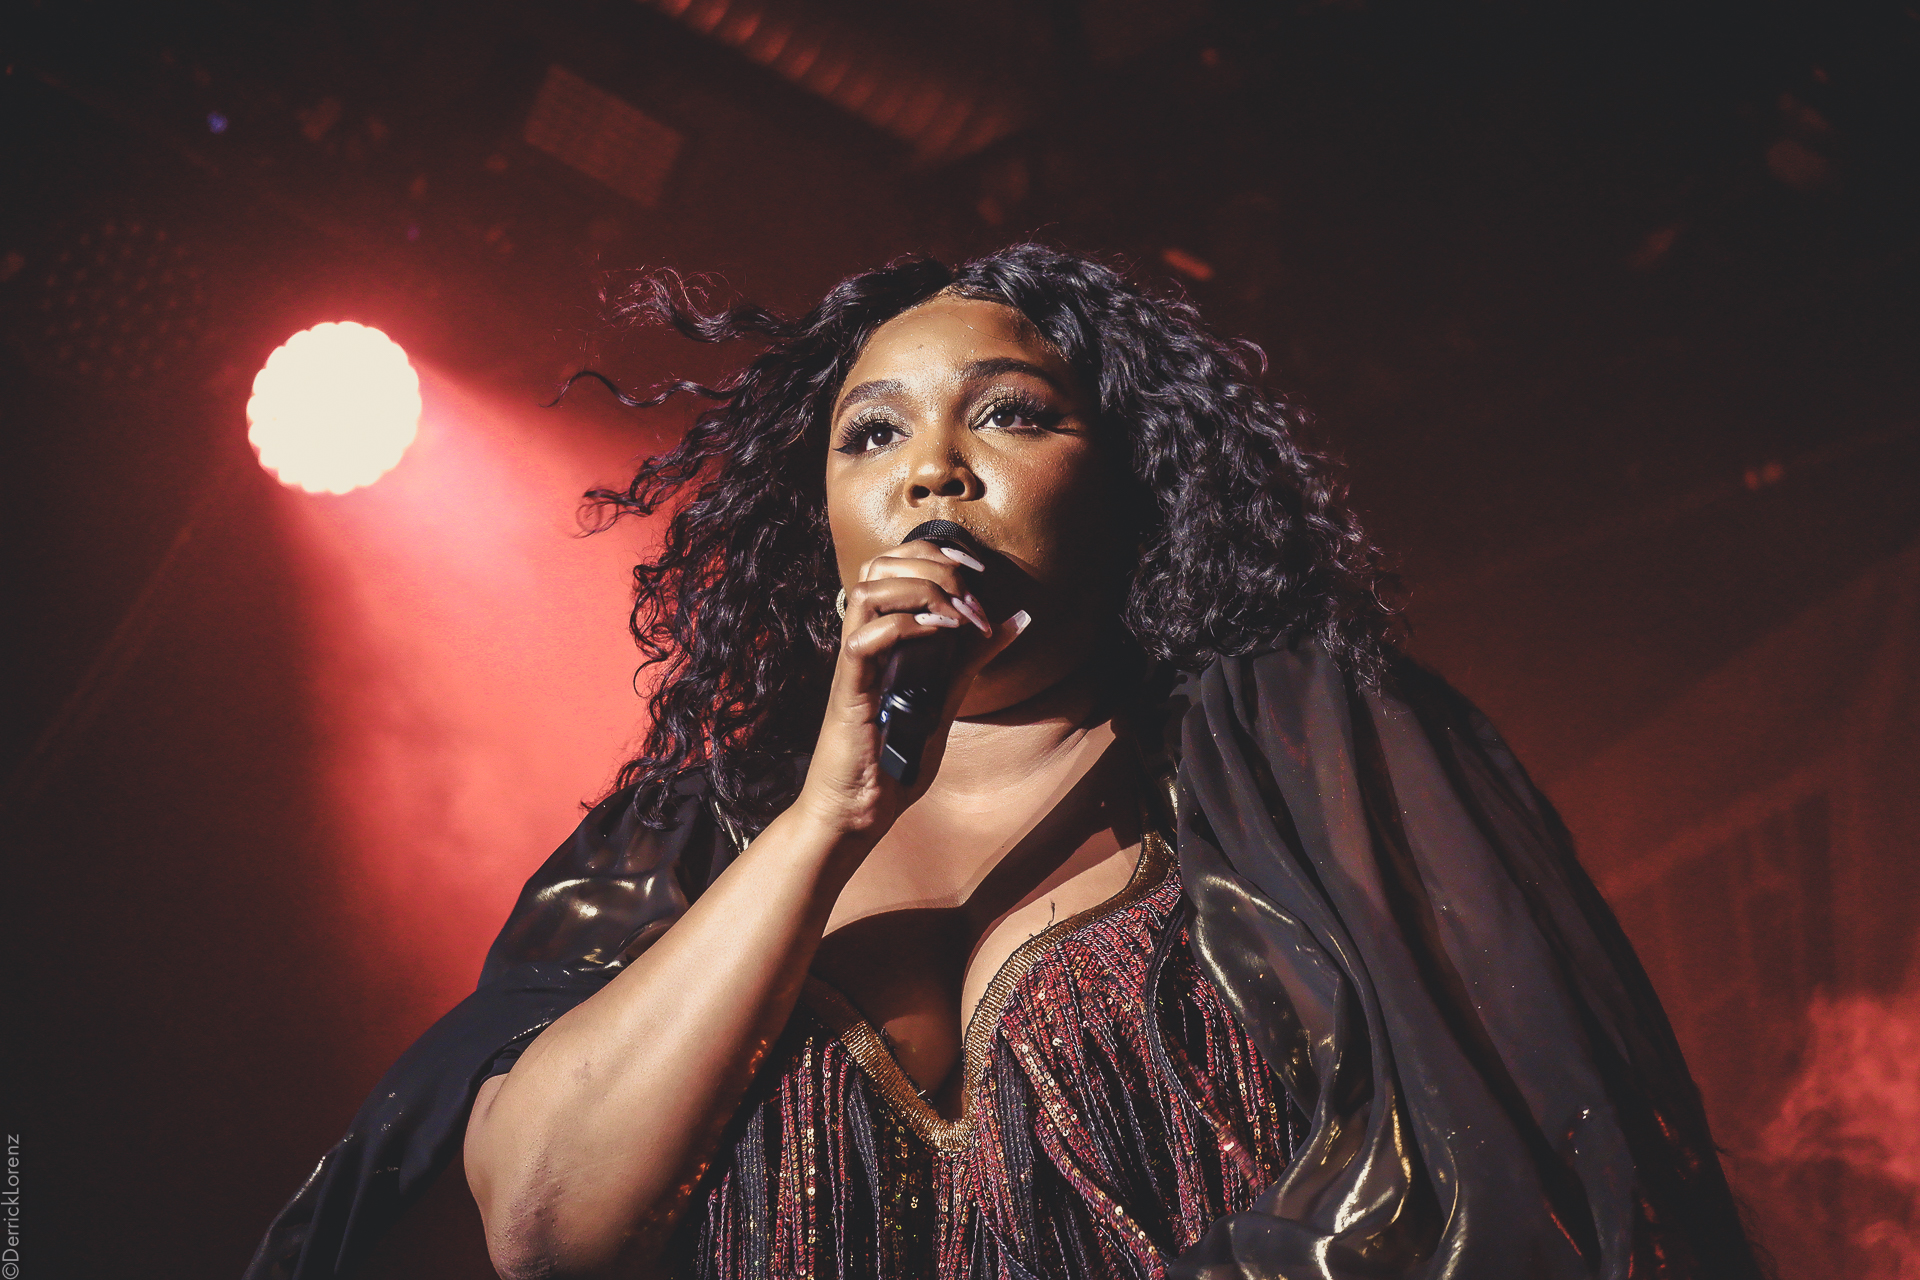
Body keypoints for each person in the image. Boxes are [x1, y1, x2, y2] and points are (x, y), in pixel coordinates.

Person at [245, 244, 1766, 1280]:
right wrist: (833, 812)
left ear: (1132, 485)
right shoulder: (680, 848)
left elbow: (1518, 1175)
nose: (932, 467)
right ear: (817, 520)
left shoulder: (1311, 761)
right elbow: (542, 1225)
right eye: (870, 435)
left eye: (1013, 416)